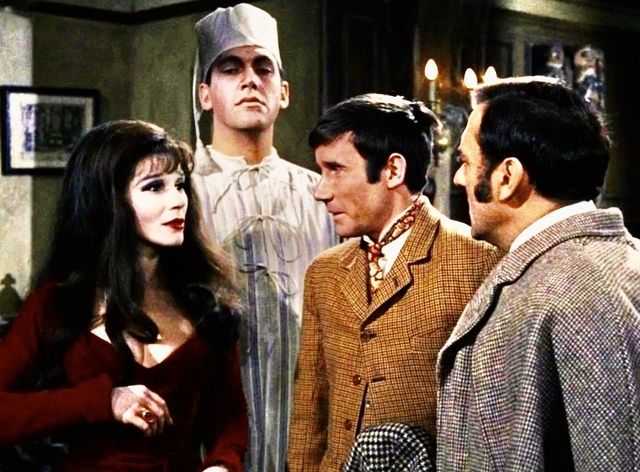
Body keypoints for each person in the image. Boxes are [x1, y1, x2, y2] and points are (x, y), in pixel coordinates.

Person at [0, 120, 247, 471]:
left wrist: (221, 465)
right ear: (107, 201)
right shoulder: (56, 306)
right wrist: (103, 401)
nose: (178, 201)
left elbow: (229, 422)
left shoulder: (207, 309)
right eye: (154, 187)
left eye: (179, 185)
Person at [287, 93, 501, 471]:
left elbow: (494, 415)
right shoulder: (324, 273)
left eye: (336, 169)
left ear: (392, 170)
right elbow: (309, 411)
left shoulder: (478, 260)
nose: (321, 191)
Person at [437, 76, 640, 470]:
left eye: (465, 162)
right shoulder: (573, 269)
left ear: (507, 177)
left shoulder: (580, 290)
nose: (459, 178)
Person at [192, 4, 337, 472]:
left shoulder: (323, 194)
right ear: (206, 95)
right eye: (230, 69)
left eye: (263, 68)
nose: (250, 80)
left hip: (307, 412)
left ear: (284, 92)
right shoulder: (179, 194)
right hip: (208, 418)